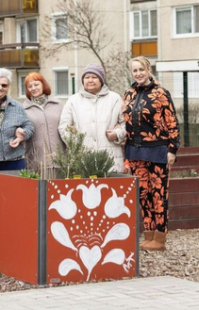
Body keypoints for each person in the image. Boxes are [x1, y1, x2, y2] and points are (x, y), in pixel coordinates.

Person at [122, 56, 179, 251]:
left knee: (158, 194)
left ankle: (160, 238)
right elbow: (124, 121)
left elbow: (172, 121)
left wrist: (173, 149)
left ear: (148, 69)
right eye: (134, 70)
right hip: (135, 151)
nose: (138, 73)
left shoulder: (161, 93)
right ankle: (148, 235)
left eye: (141, 69)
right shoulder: (128, 94)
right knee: (143, 194)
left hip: (158, 149)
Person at [0, 68, 34, 243]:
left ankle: (14, 239)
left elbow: (29, 127)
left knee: (15, 203)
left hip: (14, 162)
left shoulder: (17, 107)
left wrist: (21, 134)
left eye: (4, 85)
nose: (0, 88)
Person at [58, 63, 126, 172]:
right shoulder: (73, 101)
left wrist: (117, 134)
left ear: (101, 80)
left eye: (94, 77)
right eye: (87, 77)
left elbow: (125, 124)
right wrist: (76, 141)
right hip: (82, 160)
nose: (90, 80)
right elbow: (63, 127)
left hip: (110, 160)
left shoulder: (115, 99)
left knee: (110, 189)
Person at [22, 72, 65, 179]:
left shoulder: (58, 105)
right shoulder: (23, 109)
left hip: (61, 161)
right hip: (37, 162)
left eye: (36, 84)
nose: (33, 88)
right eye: (30, 86)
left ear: (43, 84)